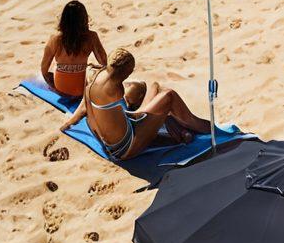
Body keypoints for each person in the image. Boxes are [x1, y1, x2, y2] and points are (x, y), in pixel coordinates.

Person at [61, 48, 212, 161]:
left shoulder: (94, 77)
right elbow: (136, 115)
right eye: (129, 72)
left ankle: (179, 131)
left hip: (108, 143)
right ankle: (203, 127)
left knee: (155, 88)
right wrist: (152, 112)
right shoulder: (115, 89)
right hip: (125, 147)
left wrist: (69, 122)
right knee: (168, 96)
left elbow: (83, 108)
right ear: (123, 73)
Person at [40, 1, 107, 100]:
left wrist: (53, 87)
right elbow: (104, 62)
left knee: (56, 66)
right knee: (92, 69)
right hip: (81, 89)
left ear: (63, 19)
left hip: (61, 88)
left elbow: (44, 70)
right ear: (84, 18)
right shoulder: (92, 37)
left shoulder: (55, 39)